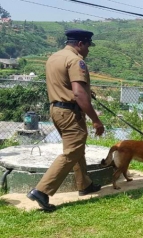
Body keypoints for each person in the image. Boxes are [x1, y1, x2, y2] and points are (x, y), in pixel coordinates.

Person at [27, 29, 105, 212]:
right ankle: (41, 191)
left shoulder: (54, 57)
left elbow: (64, 84)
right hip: (70, 112)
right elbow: (77, 93)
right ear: (80, 43)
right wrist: (96, 120)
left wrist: (86, 92)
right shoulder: (76, 60)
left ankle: (84, 184)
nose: (88, 50)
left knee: (77, 148)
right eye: (87, 46)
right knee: (72, 152)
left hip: (56, 109)